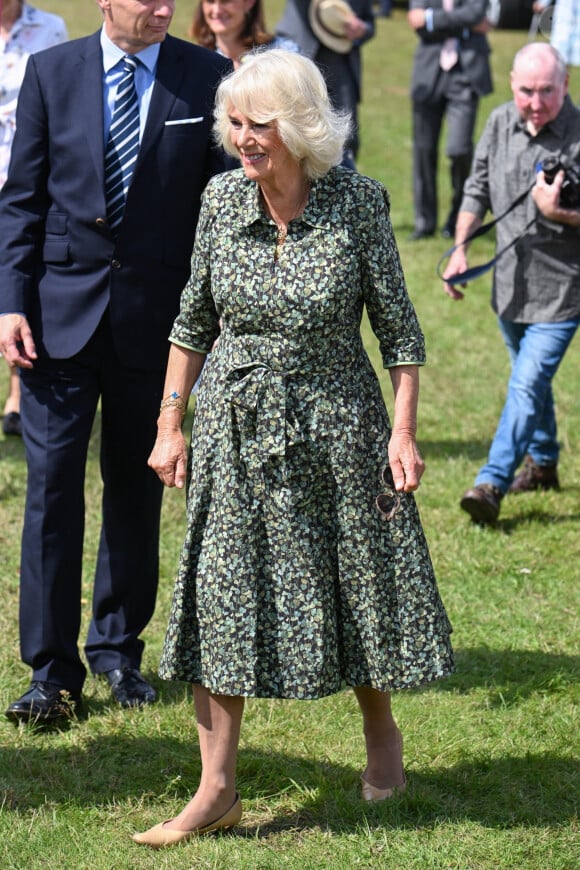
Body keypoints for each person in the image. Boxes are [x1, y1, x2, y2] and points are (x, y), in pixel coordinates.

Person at [132, 49, 454, 849]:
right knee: (220, 593)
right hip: (237, 431)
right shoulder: (217, 203)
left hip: (339, 429)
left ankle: (382, 743)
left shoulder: (358, 204)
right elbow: (191, 321)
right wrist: (171, 424)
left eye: (259, 125)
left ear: (301, 128)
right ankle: (216, 789)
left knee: (356, 588)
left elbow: (400, 332)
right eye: (234, 123)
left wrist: (403, 431)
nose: (243, 139)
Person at [0, 0, 230, 725]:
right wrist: (9, 303)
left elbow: (220, 203)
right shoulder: (51, 72)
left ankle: (117, 650)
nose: (163, 8)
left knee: (137, 490)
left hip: (157, 324)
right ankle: (49, 669)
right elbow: (21, 202)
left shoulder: (207, 75)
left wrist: (217, 311)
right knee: (52, 493)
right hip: (55, 321)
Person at [443, 43, 580, 525]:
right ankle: (542, 463)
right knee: (531, 382)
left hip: (563, 293)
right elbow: (476, 188)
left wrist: (557, 212)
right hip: (508, 289)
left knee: (524, 385)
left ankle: (491, 482)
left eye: (547, 91)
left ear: (565, 85)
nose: (536, 102)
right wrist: (460, 247)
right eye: (526, 91)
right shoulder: (500, 121)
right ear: (510, 83)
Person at [0, 1, 68, 438]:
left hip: (22, 174)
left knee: (15, 276)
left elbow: (61, 103)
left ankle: (17, 392)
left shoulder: (50, 28)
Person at [407, 0, 493, 241]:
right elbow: (416, 21)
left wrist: (432, 18)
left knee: (459, 149)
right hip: (429, 72)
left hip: (467, 74)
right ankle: (425, 222)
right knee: (423, 151)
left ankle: (459, 215)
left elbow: (477, 12)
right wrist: (465, 24)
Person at [275, 0, 374, 168]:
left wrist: (362, 29)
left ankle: (342, 189)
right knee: (291, 133)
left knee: (346, 139)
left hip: (341, 63)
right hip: (298, 55)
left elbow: (369, 22)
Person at [190, 0, 300, 67]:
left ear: (249, 2)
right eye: (210, 1)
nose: (217, 10)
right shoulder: (197, 60)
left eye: (226, 1)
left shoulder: (285, 55)